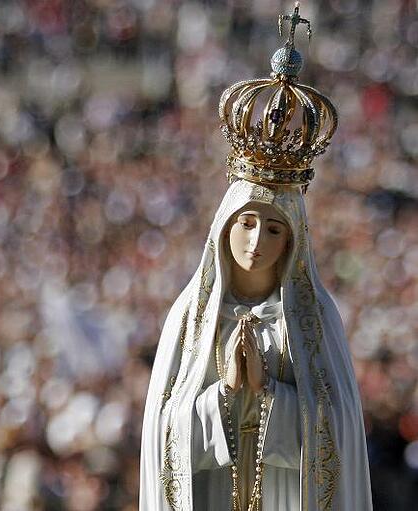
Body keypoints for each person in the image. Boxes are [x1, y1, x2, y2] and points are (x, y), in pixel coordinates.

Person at [140, 4, 372, 510]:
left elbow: (341, 436)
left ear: (292, 241)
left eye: (272, 229)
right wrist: (224, 397)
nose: (255, 242)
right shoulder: (191, 318)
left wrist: (270, 398)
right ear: (223, 229)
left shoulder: (313, 318)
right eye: (245, 224)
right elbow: (162, 440)